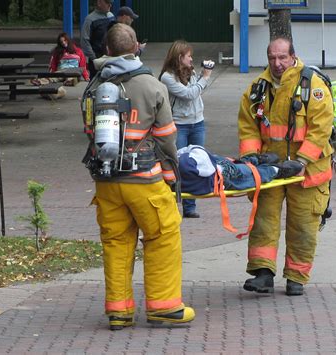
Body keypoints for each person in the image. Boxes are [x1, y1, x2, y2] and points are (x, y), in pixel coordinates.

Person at [81, 23, 195, 330]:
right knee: (162, 236)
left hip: (106, 182)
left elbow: (91, 133)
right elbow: (167, 137)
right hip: (144, 180)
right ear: (136, 49)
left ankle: (119, 311)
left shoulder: (95, 86)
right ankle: (164, 307)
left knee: (116, 242)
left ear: (106, 50)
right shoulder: (151, 85)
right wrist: (171, 175)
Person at [237, 36, 333, 296]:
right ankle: (262, 273)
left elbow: (321, 128)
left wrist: (302, 161)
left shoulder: (313, 85)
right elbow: (248, 129)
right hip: (271, 170)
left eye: (282, 58)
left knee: (303, 225)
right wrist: (251, 161)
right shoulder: (258, 88)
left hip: (308, 170)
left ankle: (296, 277)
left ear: (293, 56)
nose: (277, 63)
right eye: (272, 58)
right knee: (264, 221)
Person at [159, 40, 213, 218]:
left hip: (198, 123)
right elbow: (189, 95)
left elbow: (196, 92)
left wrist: (199, 78)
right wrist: (205, 78)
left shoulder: (191, 72)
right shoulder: (167, 77)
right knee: (178, 165)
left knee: (195, 165)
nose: (192, 59)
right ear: (179, 57)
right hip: (179, 125)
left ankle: (190, 207)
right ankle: (173, 205)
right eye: (189, 56)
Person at [81, 0, 115, 78]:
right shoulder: (90, 19)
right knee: (95, 84)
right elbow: (84, 40)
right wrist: (94, 58)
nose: (110, 5)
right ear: (99, 2)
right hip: (97, 59)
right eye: (107, 2)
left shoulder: (111, 16)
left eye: (111, 3)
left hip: (111, 58)